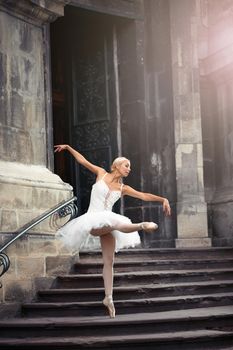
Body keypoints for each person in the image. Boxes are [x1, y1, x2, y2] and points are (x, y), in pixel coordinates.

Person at [54, 144, 171, 318]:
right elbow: (83, 161)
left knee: (109, 261)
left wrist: (163, 199)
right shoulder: (101, 173)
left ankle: (108, 298)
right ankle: (141, 225)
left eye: (130, 167)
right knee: (116, 222)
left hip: (109, 224)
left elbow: (144, 195)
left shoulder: (124, 189)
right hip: (93, 221)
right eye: (126, 165)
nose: (129, 169)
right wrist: (68, 148)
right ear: (116, 166)